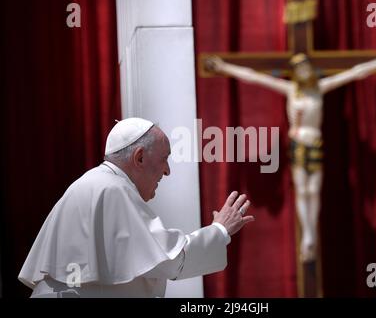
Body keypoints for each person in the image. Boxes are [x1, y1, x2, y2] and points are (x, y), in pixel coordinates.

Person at [18, 118, 255, 297]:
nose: (167, 171)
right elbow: (170, 261)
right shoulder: (111, 189)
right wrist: (220, 230)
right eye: (164, 158)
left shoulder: (97, 183)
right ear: (139, 157)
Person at [206, 51, 376, 262]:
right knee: (302, 190)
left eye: (306, 68)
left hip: (314, 142)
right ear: (295, 74)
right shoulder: (291, 90)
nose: (304, 72)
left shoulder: (319, 88)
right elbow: (254, 77)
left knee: (314, 190)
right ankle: (307, 235)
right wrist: (223, 67)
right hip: (299, 144)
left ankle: (310, 234)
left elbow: (354, 73)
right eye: (299, 69)